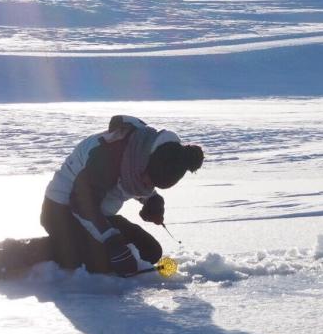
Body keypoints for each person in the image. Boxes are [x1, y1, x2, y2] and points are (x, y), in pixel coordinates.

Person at [39, 114, 205, 277]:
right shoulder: (106, 156)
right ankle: (23, 252)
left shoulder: (140, 152)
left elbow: (126, 182)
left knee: (150, 251)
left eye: (153, 185)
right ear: (146, 164)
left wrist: (151, 199)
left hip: (98, 213)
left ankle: (84, 246)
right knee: (99, 260)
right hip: (61, 212)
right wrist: (112, 241)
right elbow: (81, 203)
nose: (148, 186)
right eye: (149, 181)